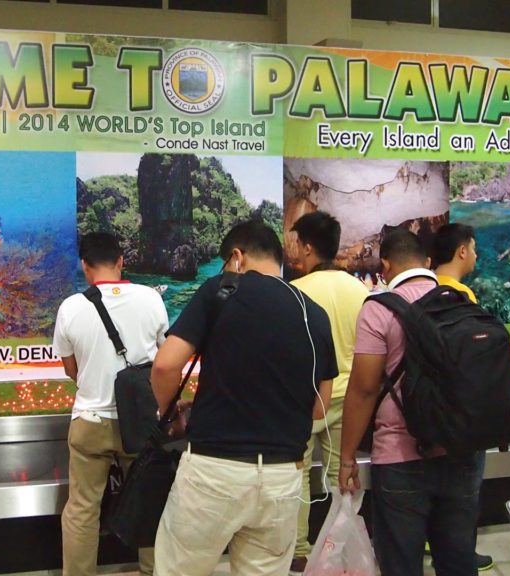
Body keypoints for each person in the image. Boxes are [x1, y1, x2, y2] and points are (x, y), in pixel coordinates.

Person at [150, 220, 338, 576]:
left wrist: (170, 411)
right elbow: (319, 407)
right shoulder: (313, 312)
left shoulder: (221, 290)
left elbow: (165, 365)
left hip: (213, 471)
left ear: (236, 257)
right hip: (282, 480)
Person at [340, 228, 481, 576]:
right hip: (461, 451)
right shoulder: (459, 299)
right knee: (458, 560)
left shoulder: (378, 308)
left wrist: (346, 458)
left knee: (401, 563)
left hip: (400, 457)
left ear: (384, 265)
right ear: (428, 262)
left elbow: (363, 390)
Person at [52, 232, 168, 576]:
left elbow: (71, 369)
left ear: (84, 266)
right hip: (142, 423)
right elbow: (164, 359)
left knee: (82, 509)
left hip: (90, 420)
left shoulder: (71, 307)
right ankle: (155, 570)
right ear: (121, 261)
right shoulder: (151, 299)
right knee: (150, 502)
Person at [287, 212, 369, 573]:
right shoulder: (361, 291)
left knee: (298, 475)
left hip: (306, 399)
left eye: (295, 243)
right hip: (351, 398)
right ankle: (339, 551)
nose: (292, 250)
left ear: (307, 246)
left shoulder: (296, 293)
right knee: (343, 475)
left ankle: (299, 551)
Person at [431, 223, 494, 573]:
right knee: (462, 497)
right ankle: (460, 555)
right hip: (461, 416)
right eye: (474, 248)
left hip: (431, 416)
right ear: (461, 252)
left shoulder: (423, 289)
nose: (476, 255)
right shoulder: (461, 296)